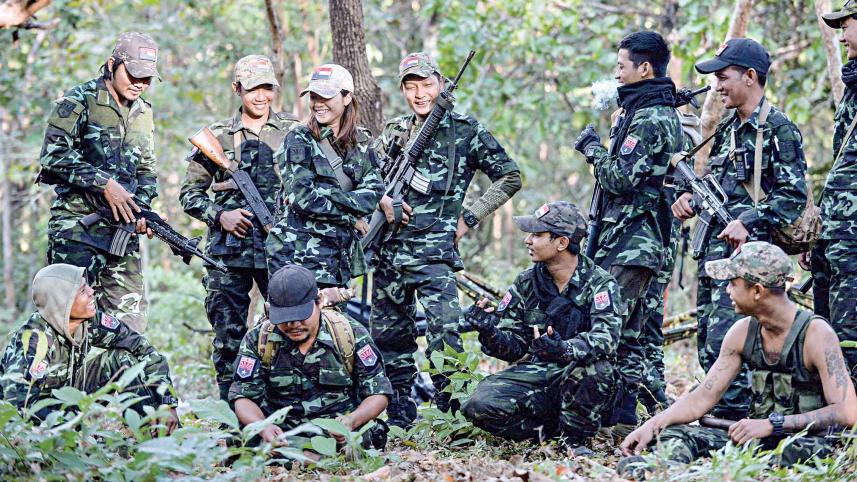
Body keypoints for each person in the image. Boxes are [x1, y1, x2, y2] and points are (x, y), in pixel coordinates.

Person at [369, 52, 521, 427]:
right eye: (411, 86)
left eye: (426, 85)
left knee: (444, 336)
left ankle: (453, 415)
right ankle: (397, 411)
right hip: (389, 253)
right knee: (389, 339)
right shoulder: (395, 131)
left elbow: (510, 177)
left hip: (434, 255)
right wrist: (382, 199)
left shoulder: (466, 130)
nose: (420, 94)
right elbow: (365, 178)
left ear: (439, 84)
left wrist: (469, 217)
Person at [620, 242, 857, 468]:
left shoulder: (816, 335)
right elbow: (702, 398)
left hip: (805, 442)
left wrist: (772, 425)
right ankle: (665, 469)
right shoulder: (742, 332)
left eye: (733, 282)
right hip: (756, 439)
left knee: (793, 454)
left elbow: (846, 411)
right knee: (675, 434)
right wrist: (652, 425)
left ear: (757, 290)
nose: (726, 289)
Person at [671, 38, 809, 420]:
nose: (717, 85)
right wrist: (691, 202)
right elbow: (721, 183)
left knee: (733, 341)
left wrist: (747, 221)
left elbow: (793, 196)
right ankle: (724, 417)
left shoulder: (778, 129)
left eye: (723, 76)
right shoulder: (730, 128)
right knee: (708, 340)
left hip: (752, 265)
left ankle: (735, 423)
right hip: (719, 257)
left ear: (750, 77)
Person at [573, 31, 684, 434]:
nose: (617, 74)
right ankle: (624, 419)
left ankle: (600, 417)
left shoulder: (651, 118)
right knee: (630, 335)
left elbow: (620, 178)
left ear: (644, 68)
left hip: (633, 244)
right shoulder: (645, 110)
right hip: (632, 241)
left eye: (622, 66)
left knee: (608, 326)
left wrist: (591, 148)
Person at [461, 201, 625, 450]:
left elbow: (606, 340)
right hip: (539, 373)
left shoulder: (600, 283)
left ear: (561, 243)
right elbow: (513, 346)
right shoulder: (527, 282)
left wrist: (564, 349)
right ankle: (548, 432)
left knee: (597, 370)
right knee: (478, 405)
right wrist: (489, 331)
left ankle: (575, 440)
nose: (528, 240)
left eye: (537, 235)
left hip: (582, 376)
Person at [179, 55, 298, 401]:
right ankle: (234, 420)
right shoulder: (217, 136)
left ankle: (282, 413)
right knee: (228, 337)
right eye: (252, 89)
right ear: (237, 89)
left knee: (287, 328)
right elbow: (189, 195)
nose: (261, 97)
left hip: (278, 249)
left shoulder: (293, 130)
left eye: (267, 88)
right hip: (227, 254)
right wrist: (220, 216)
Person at [38, 32, 162, 334]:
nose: (139, 84)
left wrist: (141, 209)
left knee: (130, 326)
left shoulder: (143, 112)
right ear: (112, 64)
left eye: (147, 79)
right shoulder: (79, 100)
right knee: (67, 321)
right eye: (133, 75)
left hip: (122, 233)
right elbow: (52, 156)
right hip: (78, 227)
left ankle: (121, 381)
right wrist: (104, 184)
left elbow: (146, 169)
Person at [229, 264, 392, 452]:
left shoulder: (348, 333)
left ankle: (306, 456)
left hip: (335, 432)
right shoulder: (259, 339)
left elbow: (378, 392)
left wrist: (351, 420)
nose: (294, 324)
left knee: (362, 437)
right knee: (239, 438)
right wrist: (263, 426)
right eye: (285, 318)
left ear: (319, 302)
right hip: (281, 433)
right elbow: (242, 396)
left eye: (301, 316)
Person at [0, 264, 178, 433]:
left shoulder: (90, 322)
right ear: (63, 302)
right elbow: (17, 412)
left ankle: (154, 437)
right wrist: (70, 436)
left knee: (122, 359)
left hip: (67, 401)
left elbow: (142, 347)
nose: (93, 292)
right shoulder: (34, 342)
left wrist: (167, 403)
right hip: (40, 424)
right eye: (83, 291)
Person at [266, 64, 383, 288]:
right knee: (294, 322)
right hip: (295, 257)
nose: (318, 103)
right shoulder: (299, 139)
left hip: (339, 261)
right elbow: (303, 199)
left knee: (336, 323)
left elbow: (373, 193)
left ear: (347, 97)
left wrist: (328, 193)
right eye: (313, 96)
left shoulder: (363, 142)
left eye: (326, 96)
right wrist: (350, 217)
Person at [814, 3, 857, 378]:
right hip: (838, 236)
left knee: (849, 330)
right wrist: (822, 232)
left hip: (853, 240)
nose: (841, 36)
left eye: (847, 26)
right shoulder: (853, 88)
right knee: (828, 322)